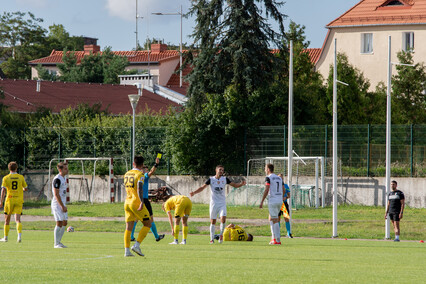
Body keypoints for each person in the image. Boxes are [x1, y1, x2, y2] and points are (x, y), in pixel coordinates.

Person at [190, 165, 246, 244]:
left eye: (222, 170)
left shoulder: (225, 179)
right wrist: (194, 193)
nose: (221, 171)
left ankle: (221, 235)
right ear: (216, 170)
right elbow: (202, 187)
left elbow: (234, 185)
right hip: (214, 203)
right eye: (220, 170)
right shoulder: (211, 179)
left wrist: (241, 184)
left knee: (223, 219)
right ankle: (212, 239)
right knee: (213, 221)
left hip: (222, 203)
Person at [130, 157, 165, 242]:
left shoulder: (136, 175)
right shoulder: (143, 176)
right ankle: (156, 236)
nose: (147, 170)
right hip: (144, 199)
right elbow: (152, 172)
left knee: (136, 219)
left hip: (136, 200)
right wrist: (156, 164)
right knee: (150, 219)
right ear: (142, 169)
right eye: (145, 169)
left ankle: (131, 237)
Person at [123, 156, 152, 257]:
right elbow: (139, 188)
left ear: (133, 164)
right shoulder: (140, 174)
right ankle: (137, 245)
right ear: (142, 165)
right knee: (148, 223)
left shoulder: (127, 173)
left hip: (127, 202)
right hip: (135, 202)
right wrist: (141, 202)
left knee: (128, 227)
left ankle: (127, 251)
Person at [0, 162, 28, 243]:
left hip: (9, 200)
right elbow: (25, 188)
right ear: (16, 168)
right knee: (18, 219)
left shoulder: (6, 178)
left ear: (9, 168)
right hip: (19, 200)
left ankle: (5, 237)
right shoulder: (20, 177)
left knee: (7, 220)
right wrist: (22, 189)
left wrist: (1, 201)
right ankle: (19, 237)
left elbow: (3, 190)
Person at [260, 163, 283, 245]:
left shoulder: (268, 178)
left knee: (275, 220)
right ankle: (273, 238)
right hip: (279, 200)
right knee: (271, 218)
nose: (265, 170)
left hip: (273, 200)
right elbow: (283, 189)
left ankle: (277, 239)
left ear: (268, 169)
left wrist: (262, 201)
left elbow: (267, 189)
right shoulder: (279, 178)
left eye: (265, 168)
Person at [51, 162, 69, 248]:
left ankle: (59, 242)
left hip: (62, 203)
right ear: (60, 170)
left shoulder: (63, 178)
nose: (67, 170)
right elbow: (56, 194)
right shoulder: (57, 179)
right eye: (65, 168)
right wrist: (62, 206)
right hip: (57, 204)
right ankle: (56, 243)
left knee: (65, 222)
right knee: (59, 223)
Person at [277, 174, 293, 238]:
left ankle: (289, 233)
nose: (280, 179)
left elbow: (289, 195)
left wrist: (285, 197)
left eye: (281, 177)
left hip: (284, 204)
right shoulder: (276, 186)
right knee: (278, 219)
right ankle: (278, 233)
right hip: (278, 204)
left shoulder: (286, 186)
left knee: (286, 219)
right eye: (279, 177)